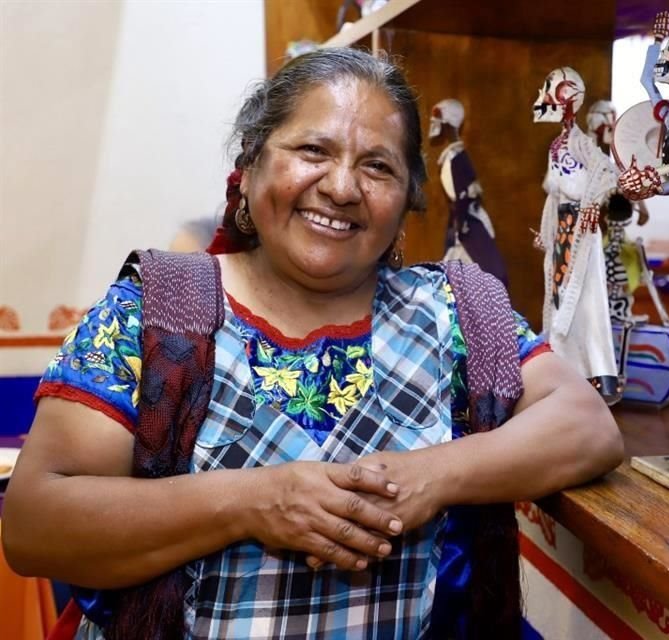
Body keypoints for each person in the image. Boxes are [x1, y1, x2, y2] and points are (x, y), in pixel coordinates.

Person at [1, 48, 623, 639]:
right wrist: (252, 502)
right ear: (248, 167)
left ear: (409, 196)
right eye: (311, 150)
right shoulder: (159, 311)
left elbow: (588, 427)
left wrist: (432, 476)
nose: (342, 188)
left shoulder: (458, 313)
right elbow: (34, 526)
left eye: (378, 166)